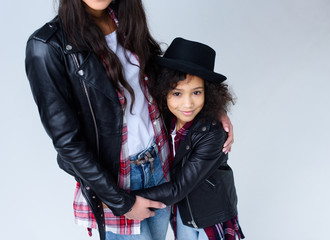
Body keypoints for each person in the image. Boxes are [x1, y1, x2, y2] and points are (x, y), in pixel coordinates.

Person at [25, 0, 234, 239]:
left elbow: (165, 82)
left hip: (159, 163)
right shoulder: (46, 46)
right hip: (115, 181)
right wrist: (120, 201)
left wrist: (209, 108)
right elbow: (67, 143)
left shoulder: (125, 20)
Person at [133, 38, 245, 240]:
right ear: (163, 91)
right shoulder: (164, 120)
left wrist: (124, 201)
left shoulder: (212, 133)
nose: (187, 104)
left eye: (196, 92)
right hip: (183, 213)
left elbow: (177, 187)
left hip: (211, 218)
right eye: (177, 93)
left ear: (209, 94)